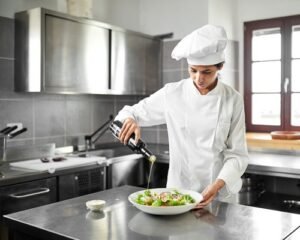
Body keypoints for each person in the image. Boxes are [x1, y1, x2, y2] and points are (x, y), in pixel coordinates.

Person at [114, 24, 249, 208]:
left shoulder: (233, 99)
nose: (199, 79)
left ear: (220, 67)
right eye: (193, 70)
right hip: (178, 196)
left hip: (218, 197)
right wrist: (130, 120)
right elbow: (130, 112)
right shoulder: (173, 93)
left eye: (206, 72)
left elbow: (237, 155)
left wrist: (217, 185)